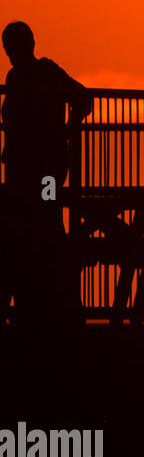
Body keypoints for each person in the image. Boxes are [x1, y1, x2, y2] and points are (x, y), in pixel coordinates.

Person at [0, 21, 93, 324]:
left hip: (34, 167)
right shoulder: (35, 74)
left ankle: (43, 304)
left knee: (38, 225)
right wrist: (68, 129)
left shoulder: (30, 75)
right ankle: (49, 304)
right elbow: (82, 99)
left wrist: (66, 129)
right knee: (42, 224)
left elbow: (82, 99)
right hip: (41, 166)